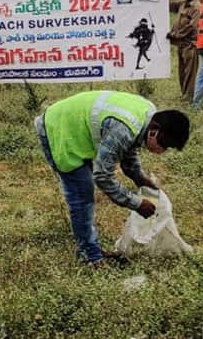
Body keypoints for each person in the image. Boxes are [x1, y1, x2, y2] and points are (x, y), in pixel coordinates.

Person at [35, 91, 190, 265]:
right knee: (82, 195)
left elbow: (128, 148)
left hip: (75, 126)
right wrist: (137, 203)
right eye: (164, 144)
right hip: (58, 128)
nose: (162, 150)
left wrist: (140, 178)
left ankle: (91, 250)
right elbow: (102, 177)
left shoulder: (147, 115)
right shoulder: (123, 129)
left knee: (84, 190)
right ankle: (90, 257)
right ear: (154, 130)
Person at [167, 0, 202, 101]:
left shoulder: (197, 7)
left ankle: (189, 97)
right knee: (181, 72)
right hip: (180, 44)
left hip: (190, 44)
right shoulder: (183, 3)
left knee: (190, 73)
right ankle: (183, 94)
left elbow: (192, 26)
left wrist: (175, 35)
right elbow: (169, 5)